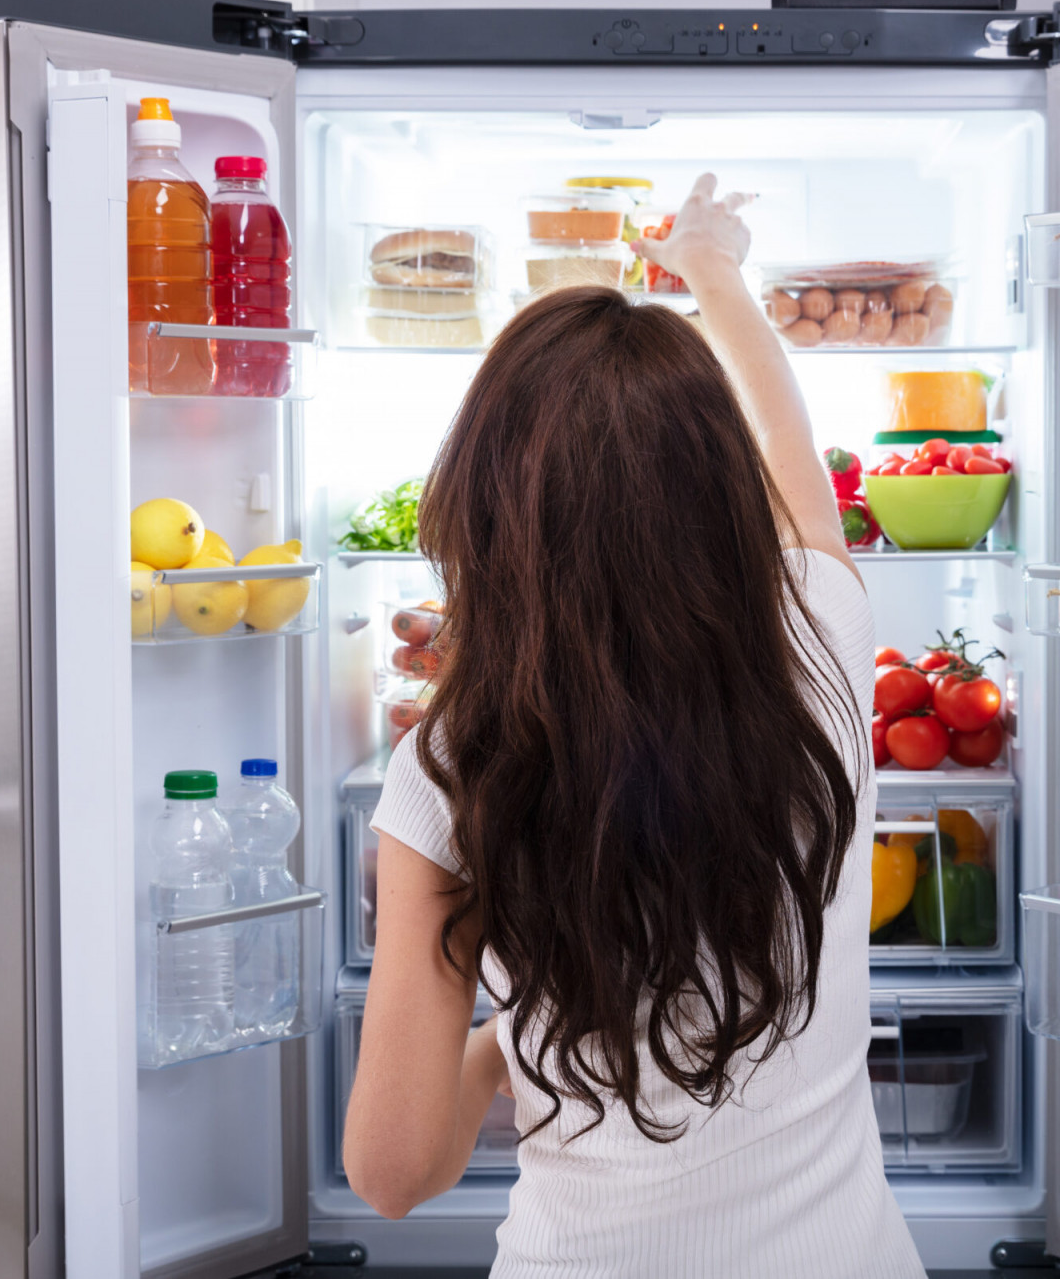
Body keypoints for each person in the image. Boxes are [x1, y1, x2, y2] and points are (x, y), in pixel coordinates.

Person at [342, 175, 923, 1277]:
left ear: (483, 508)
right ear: (720, 494)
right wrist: (710, 267)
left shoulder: (449, 766)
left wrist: (496, 1055)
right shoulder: (828, 647)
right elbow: (789, 443)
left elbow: (391, 1169)